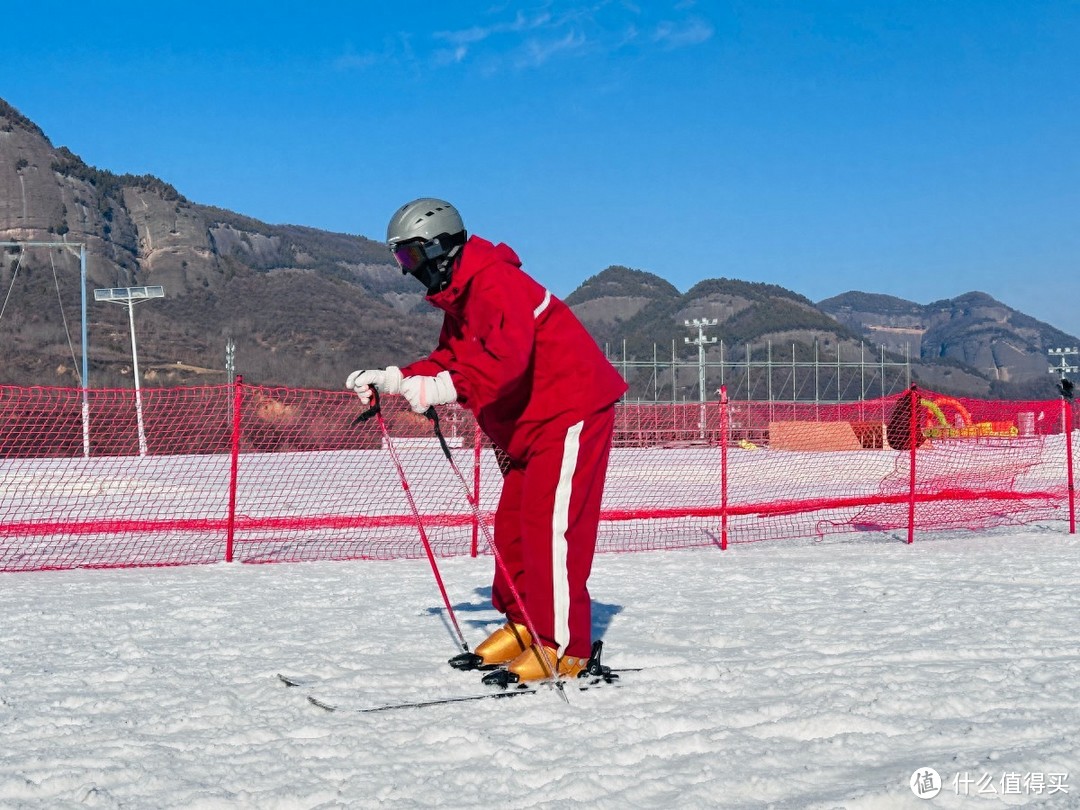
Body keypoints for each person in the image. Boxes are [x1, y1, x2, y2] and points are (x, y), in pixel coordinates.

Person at [346, 198, 627, 683]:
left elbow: (505, 363)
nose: (408, 271)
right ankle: (524, 624)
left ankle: (562, 647)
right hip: (528, 428)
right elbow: (450, 359)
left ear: (438, 247)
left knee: (550, 532)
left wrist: (439, 388)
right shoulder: (463, 297)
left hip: (567, 414)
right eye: (401, 260)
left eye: (410, 257)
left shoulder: (495, 284)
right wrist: (394, 378)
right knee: (515, 530)